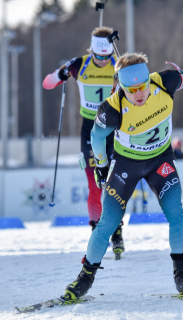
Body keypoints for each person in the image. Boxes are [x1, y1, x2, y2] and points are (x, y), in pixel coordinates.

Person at [61, 52, 183, 301]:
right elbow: (96, 137)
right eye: (131, 89)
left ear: (149, 79)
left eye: (142, 87)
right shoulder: (112, 108)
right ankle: (84, 278)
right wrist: (102, 166)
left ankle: (182, 275)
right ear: (121, 85)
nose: (138, 94)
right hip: (127, 164)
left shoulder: (164, 82)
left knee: (176, 216)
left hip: (161, 161)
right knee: (107, 223)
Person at [42, 27, 125, 258]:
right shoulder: (79, 64)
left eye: (106, 57)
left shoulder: (119, 64)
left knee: (114, 185)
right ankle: (96, 233)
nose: (102, 61)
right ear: (92, 51)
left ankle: (117, 232)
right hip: (90, 130)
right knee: (94, 184)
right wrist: (60, 75)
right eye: (98, 57)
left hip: (115, 130)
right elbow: (47, 83)